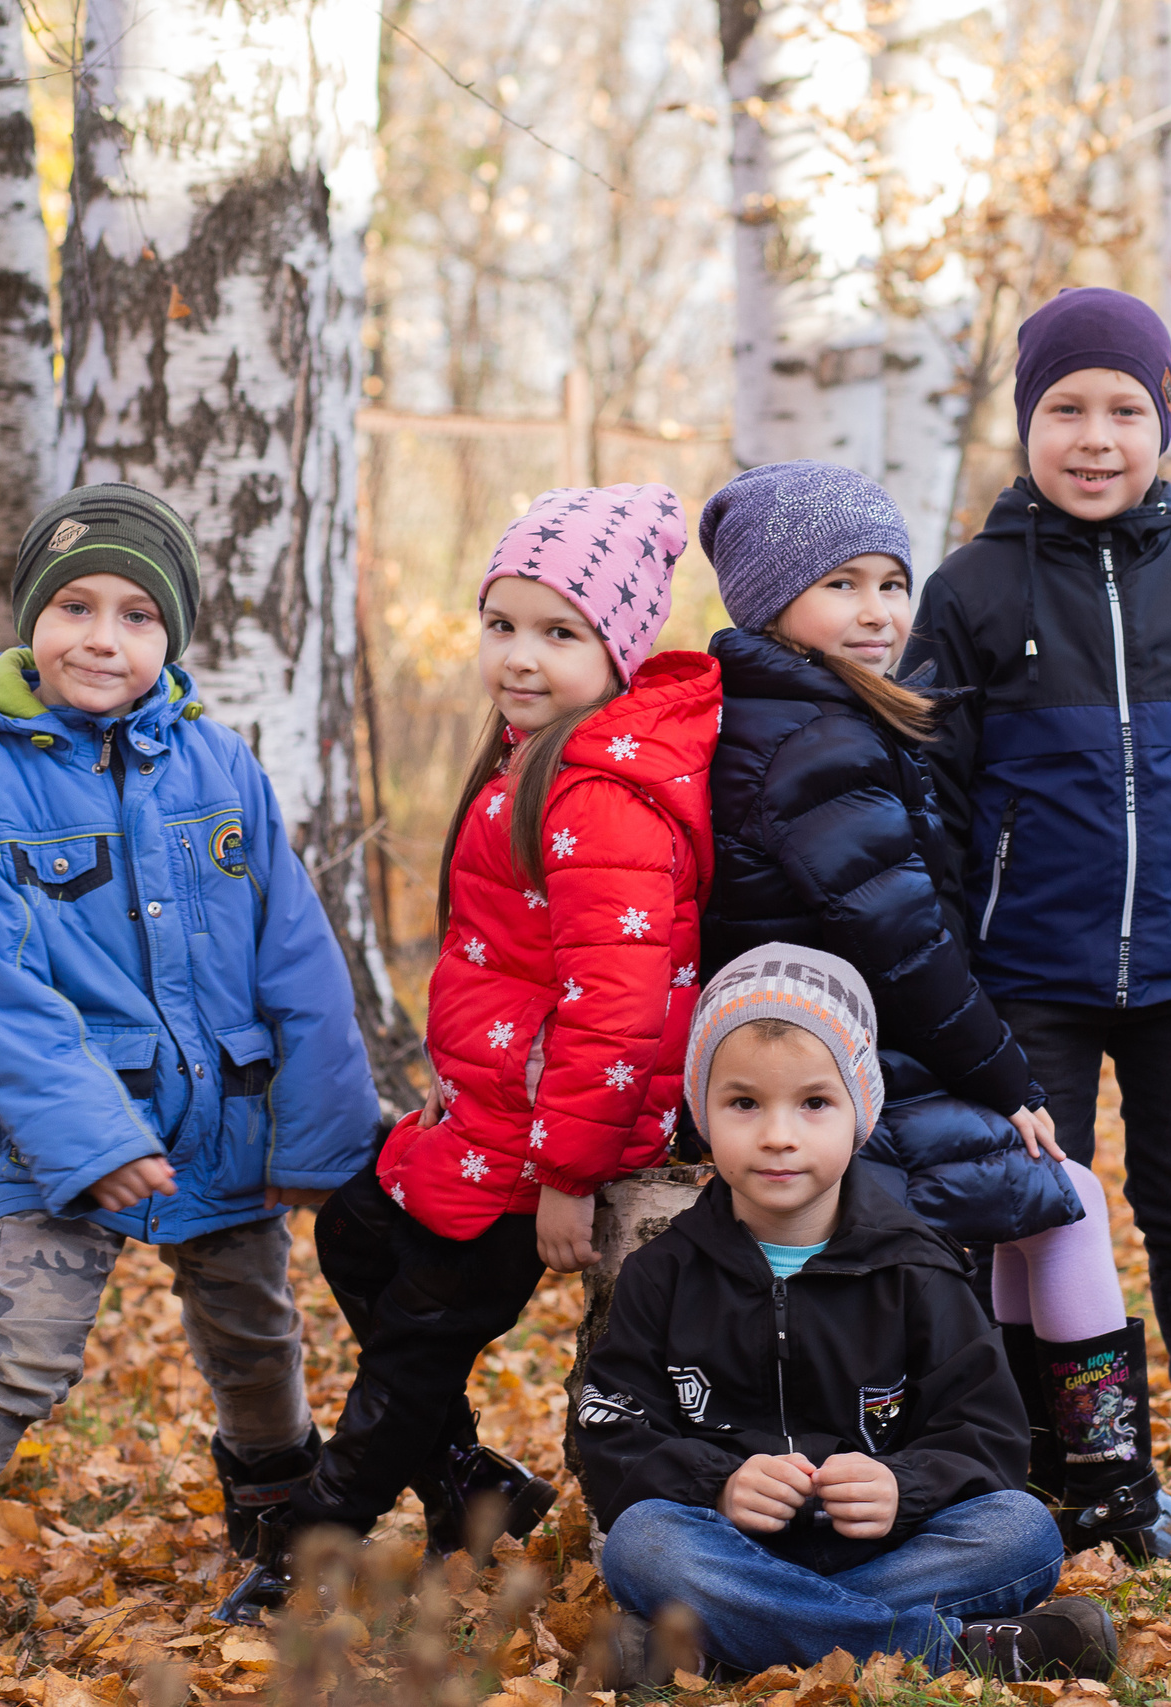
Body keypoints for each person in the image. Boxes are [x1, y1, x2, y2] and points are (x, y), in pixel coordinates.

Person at [0, 483, 381, 1678]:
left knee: (254, 1334)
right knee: (24, 1345)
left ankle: (282, 1527)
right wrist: (89, 1137)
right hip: (64, 1138)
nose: (102, 637)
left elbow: (297, 953)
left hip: (225, 1125)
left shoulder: (221, 765)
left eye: (136, 614)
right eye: (75, 605)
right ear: (33, 618)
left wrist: (319, 1141)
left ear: (169, 638)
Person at [245, 483, 721, 1580]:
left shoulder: (601, 793)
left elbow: (618, 1007)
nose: (519, 655)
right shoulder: (530, 755)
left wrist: (568, 1174)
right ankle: (471, 1485)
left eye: (559, 633)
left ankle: (310, 1541)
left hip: (559, 1132)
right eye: (500, 624)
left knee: (418, 1340)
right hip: (494, 1110)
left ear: (617, 646)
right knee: (356, 1232)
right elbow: (508, 964)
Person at [901, 287, 1171, 1491]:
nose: (1096, 438)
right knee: (1035, 1213)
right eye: (1067, 409)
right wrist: (945, 984)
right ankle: (1041, 1453)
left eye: (1125, 410)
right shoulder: (970, 593)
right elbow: (931, 803)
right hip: (1025, 974)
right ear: (1027, 422)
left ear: (1165, 422)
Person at [695, 460, 1164, 1552]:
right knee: (1066, 1200)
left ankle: (1049, 1462)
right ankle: (1103, 1487)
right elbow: (902, 943)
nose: (878, 612)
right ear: (773, 602)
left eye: (892, 584)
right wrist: (1007, 1080)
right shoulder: (811, 739)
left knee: (1038, 1210)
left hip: (845, 1062)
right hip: (821, 1084)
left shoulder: (810, 714)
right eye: (843, 585)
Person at [575, 946, 1118, 1685]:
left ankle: (724, 1643)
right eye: (743, 1103)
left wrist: (906, 1485)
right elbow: (613, 1427)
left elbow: (989, 1432)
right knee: (643, 1542)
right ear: (702, 1115)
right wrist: (718, 1483)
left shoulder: (917, 1266)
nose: (778, 1134)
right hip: (733, 1546)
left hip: (892, 1547)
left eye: (813, 1103)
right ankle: (963, 1649)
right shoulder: (663, 1273)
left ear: (860, 1112)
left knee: (1022, 1532)